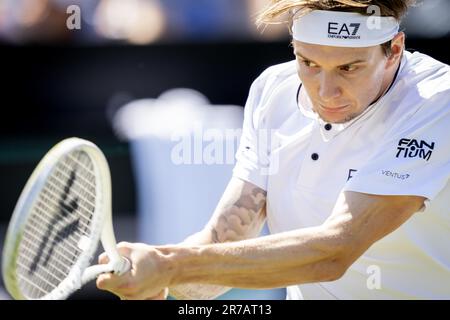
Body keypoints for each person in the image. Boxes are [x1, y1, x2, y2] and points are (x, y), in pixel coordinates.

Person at [96, 0, 450, 300]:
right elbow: (221, 246)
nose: (326, 92)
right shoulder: (272, 89)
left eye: (348, 68)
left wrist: (171, 265)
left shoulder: (438, 99)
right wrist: (159, 273)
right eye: (308, 63)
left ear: (394, 52)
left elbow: (336, 251)